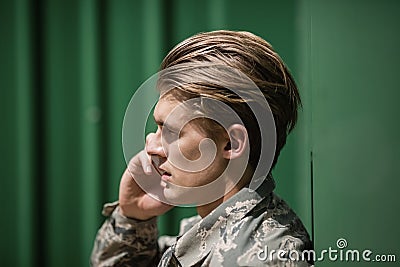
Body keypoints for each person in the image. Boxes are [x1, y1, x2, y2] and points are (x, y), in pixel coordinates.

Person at [91, 30, 313, 266]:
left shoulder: (262, 258)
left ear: (232, 143)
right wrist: (133, 217)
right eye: (157, 128)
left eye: (171, 131)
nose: (151, 145)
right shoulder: (208, 233)